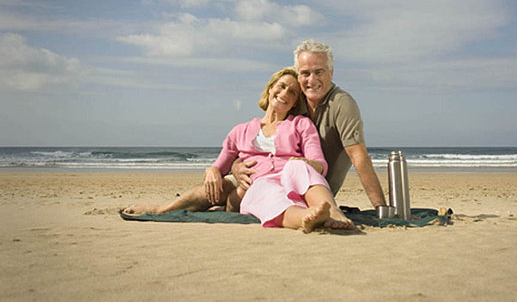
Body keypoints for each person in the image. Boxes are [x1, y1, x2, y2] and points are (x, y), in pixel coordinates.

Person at [124, 67, 353, 232]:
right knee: (262, 193)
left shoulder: (301, 124)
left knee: (298, 169)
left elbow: (320, 165)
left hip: (291, 178)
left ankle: (332, 212)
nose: (285, 93)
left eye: (292, 92)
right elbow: (220, 166)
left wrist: (301, 162)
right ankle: (306, 218)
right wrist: (212, 170)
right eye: (281, 86)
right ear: (270, 89)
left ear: (295, 102)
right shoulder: (241, 130)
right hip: (260, 182)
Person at [233, 40, 386, 210]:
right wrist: (236, 167)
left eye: (319, 72)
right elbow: (263, 146)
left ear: (331, 73)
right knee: (221, 192)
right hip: (273, 182)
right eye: (305, 73)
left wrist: (381, 208)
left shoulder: (342, 104)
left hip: (313, 193)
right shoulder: (293, 103)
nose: (312, 80)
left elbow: (359, 156)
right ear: (298, 76)